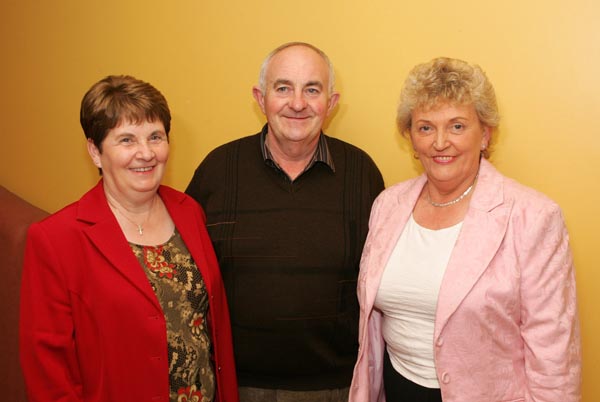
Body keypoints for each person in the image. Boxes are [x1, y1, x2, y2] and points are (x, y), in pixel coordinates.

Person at [349, 57, 581, 402]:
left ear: (485, 135)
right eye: (426, 127)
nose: (440, 142)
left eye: (457, 126)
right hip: (397, 389)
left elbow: (554, 356)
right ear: (411, 138)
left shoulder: (533, 217)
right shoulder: (387, 206)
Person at [19, 75, 239, 402]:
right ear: (95, 151)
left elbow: (210, 330)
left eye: (155, 137)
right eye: (126, 140)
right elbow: (48, 370)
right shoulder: (56, 238)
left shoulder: (189, 211)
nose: (146, 153)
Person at [185, 42, 384, 402]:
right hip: (234, 385)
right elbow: (188, 275)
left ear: (332, 102)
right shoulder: (217, 169)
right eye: (283, 88)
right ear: (260, 99)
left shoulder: (362, 173)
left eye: (312, 89)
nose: (297, 103)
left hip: (335, 387)